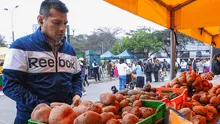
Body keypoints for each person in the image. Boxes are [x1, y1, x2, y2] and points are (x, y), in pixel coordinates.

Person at [2, 1, 82, 123]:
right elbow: (11, 85)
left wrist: (77, 93)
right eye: (56, 23)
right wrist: (44, 107)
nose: (62, 28)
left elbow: (77, 77)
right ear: (40, 20)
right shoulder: (21, 46)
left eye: (65, 23)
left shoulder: (69, 50)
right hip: (31, 118)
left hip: (64, 117)